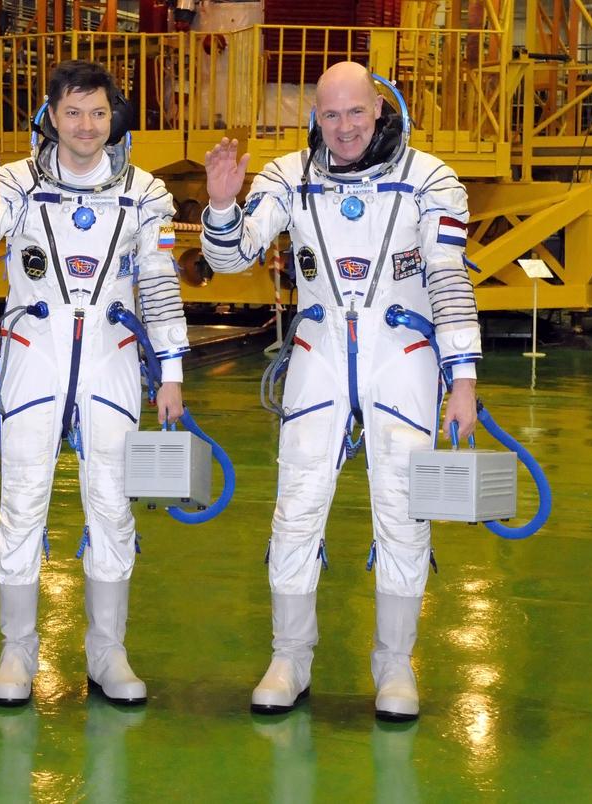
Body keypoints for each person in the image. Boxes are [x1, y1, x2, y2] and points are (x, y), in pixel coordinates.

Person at [201, 61, 481, 721]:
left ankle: (395, 666)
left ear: (381, 110)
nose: (345, 127)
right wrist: (219, 203)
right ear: (316, 117)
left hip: (403, 354)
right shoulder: (287, 177)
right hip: (319, 353)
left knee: (404, 513)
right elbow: (231, 257)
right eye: (331, 115)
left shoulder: (430, 180)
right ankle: (289, 657)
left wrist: (462, 378)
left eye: (356, 112)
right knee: (295, 505)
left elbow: (447, 279)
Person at [0, 59, 190, 707]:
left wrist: (173, 369)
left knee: (112, 503)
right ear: (50, 116)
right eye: (72, 111)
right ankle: (17, 652)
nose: (85, 125)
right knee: (22, 502)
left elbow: (159, 285)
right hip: (33, 356)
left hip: (112, 358)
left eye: (98, 112)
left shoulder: (146, 193)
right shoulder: (14, 184)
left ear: (114, 120)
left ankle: (108, 652)